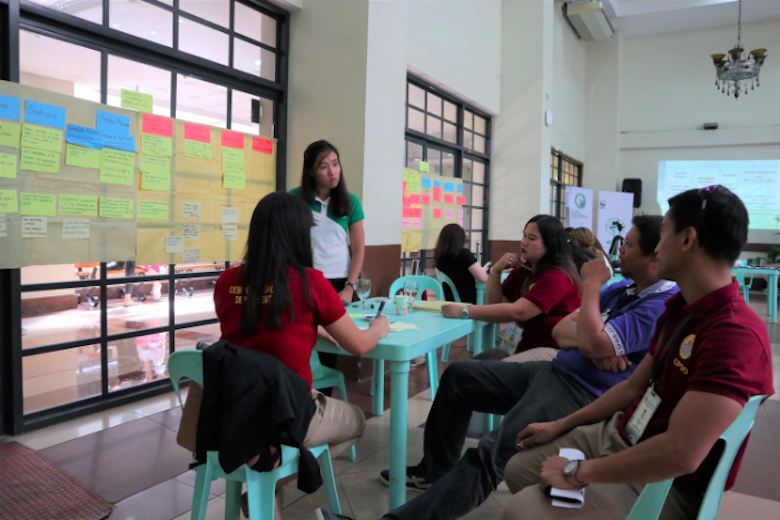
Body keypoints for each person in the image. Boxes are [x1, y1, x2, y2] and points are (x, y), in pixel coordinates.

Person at [314, 215, 678, 520]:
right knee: (459, 376)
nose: (619, 250)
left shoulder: (647, 300)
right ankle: (434, 471)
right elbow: (562, 328)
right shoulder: (620, 291)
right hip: (556, 368)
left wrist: (592, 310)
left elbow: (563, 329)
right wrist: (589, 337)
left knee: (491, 453)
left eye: (628, 245)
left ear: (653, 258)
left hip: (576, 389)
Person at [498, 186, 773, 520]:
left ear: (687, 240)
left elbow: (680, 453)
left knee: (521, 511)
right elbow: (632, 388)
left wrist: (578, 471)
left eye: (663, 236)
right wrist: (560, 425)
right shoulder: (679, 309)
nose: (656, 249)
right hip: (624, 433)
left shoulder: (733, 334)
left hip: (666, 481)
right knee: (518, 469)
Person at [206, 192, 389, 518]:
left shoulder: (226, 281)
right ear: (296, 234)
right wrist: (379, 328)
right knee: (358, 422)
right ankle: (273, 479)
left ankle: (266, 485)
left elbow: (253, 329)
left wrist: (309, 326)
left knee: (285, 430)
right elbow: (360, 346)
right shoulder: (310, 283)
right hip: (287, 410)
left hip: (232, 411)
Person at [452, 214, 582, 363]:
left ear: (551, 245)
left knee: (484, 372)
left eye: (532, 238)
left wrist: (465, 311)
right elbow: (494, 305)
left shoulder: (557, 276)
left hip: (554, 350)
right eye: (524, 236)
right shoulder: (523, 270)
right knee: (464, 368)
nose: (524, 242)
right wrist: (496, 271)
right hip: (525, 344)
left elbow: (519, 312)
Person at [290, 140, 366, 394]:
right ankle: (298, 402)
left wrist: (349, 287)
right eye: (324, 166)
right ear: (311, 171)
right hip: (303, 282)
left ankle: (324, 408)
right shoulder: (294, 199)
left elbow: (358, 250)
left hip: (337, 284)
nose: (333, 171)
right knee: (299, 343)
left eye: (335, 164)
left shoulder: (350, 202)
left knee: (330, 347)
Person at [434, 223, 488, 303]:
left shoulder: (439, 257)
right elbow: (483, 278)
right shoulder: (464, 254)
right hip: (468, 302)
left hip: (450, 301)